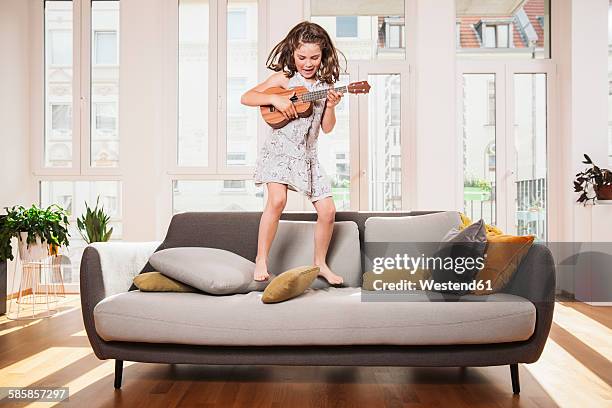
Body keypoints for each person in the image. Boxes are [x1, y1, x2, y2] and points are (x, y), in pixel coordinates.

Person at [240, 21, 347, 284]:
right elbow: (247, 97)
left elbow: (327, 128)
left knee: (328, 210)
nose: (308, 63)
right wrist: (274, 98)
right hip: (279, 152)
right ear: (292, 53)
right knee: (277, 201)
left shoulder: (324, 86)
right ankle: (261, 259)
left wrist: (331, 106)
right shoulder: (284, 79)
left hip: (307, 156)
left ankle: (320, 263)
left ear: (323, 55)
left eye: (314, 57)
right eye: (302, 57)